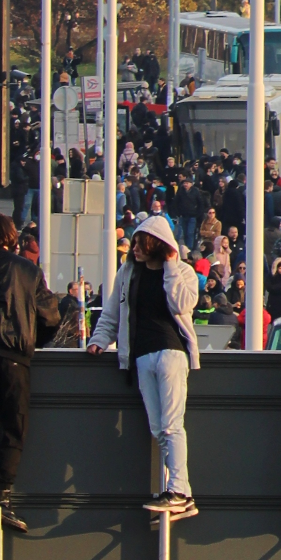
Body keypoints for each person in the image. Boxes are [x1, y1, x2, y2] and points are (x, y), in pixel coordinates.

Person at [90, 214, 203, 519]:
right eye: (134, 243)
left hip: (171, 353)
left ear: (156, 244)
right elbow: (113, 312)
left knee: (170, 424)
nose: (135, 248)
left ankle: (179, 490)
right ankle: (181, 493)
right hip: (141, 356)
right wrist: (99, 339)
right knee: (158, 427)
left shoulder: (183, 272)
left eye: (141, 242)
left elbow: (182, 304)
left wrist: (169, 266)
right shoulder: (128, 273)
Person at [0, 218, 64, 534]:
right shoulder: (27, 271)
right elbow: (51, 316)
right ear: (12, 239)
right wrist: (30, 340)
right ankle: (2, 497)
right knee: (13, 427)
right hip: (13, 359)